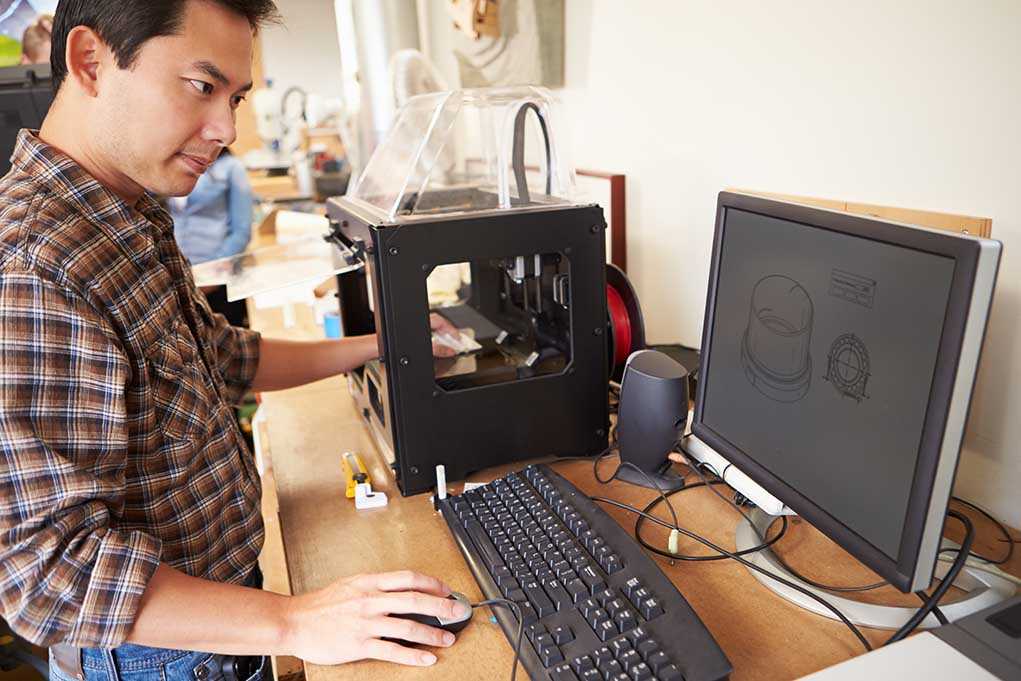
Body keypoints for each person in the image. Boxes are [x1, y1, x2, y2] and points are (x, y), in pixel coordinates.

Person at [0, 2, 464, 680]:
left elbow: (221, 356)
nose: (227, 130)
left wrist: (381, 343)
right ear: (91, 61)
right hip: (162, 648)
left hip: (224, 609)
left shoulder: (126, 209)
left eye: (236, 97)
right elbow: (46, 572)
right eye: (200, 85)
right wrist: (295, 621)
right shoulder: (36, 264)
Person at [170, 147, 253, 265]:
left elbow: (242, 230)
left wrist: (219, 262)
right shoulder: (174, 164)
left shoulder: (231, 166)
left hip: (213, 264)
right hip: (175, 264)